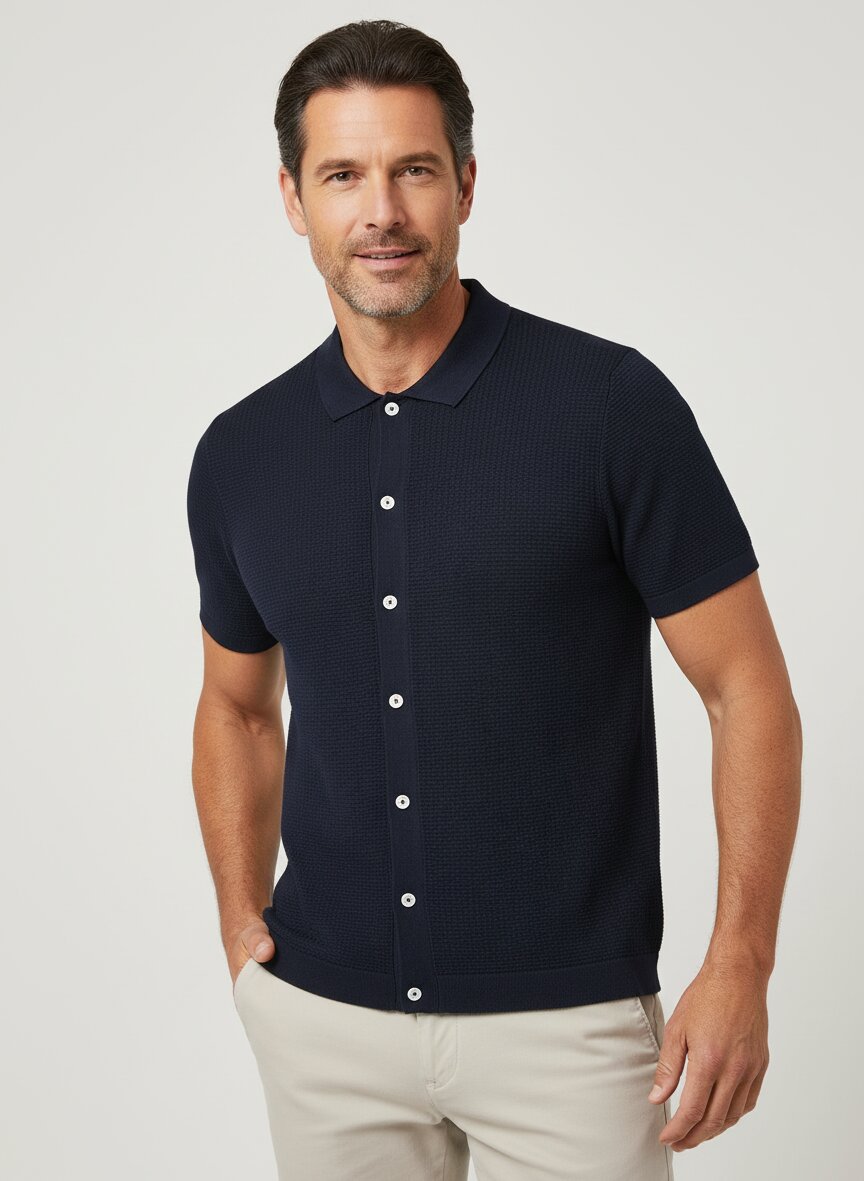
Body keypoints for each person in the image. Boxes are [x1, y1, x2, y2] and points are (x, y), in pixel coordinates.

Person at [186, 18, 802, 1180]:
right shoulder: (240, 454)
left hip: (568, 1031)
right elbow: (236, 706)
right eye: (343, 175)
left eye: (414, 169)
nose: (382, 211)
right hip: (325, 1024)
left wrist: (742, 963)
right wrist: (240, 926)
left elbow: (746, 686)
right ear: (292, 198)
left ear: (466, 183)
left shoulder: (608, 406)